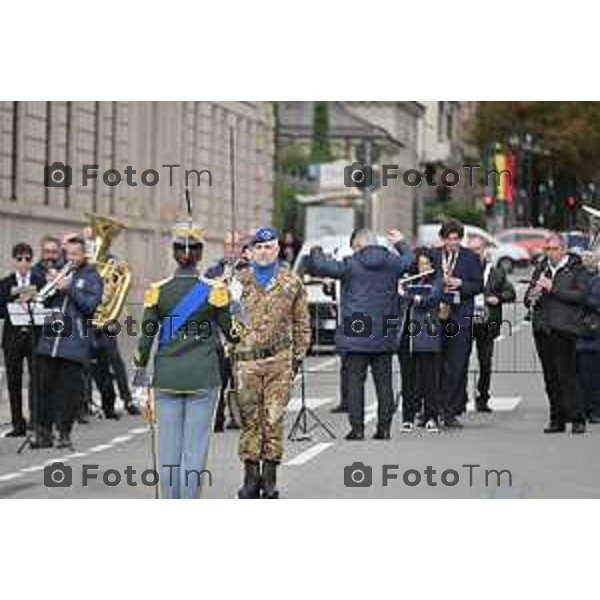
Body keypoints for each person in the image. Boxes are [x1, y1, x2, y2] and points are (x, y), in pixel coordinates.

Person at [134, 223, 240, 499]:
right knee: (195, 451)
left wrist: (139, 375)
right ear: (200, 254)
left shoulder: (157, 291)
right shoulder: (214, 290)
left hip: (166, 378)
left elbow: (145, 341)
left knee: (168, 451)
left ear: (174, 254)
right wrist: (232, 301)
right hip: (203, 377)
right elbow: (234, 334)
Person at [307, 228, 414, 440]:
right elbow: (410, 260)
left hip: (357, 331)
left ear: (357, 244)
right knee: (384, 382)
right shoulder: (392, 262)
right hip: (384, 329)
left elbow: (320, 266)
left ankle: (357, 429)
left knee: (355, 381)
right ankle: (384, 429)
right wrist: (401, 242)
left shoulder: (351, 264)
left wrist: (316, 248)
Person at [233, 227, 310, 499]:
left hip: (279, 360)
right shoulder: (237, 281)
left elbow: (302, 322)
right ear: (251, 252)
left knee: (273, 418)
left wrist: (298, 356)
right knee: (250, 420)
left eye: (269, 247)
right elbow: (221, 316)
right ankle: (250, 476)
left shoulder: (291, 283)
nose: (263, 252)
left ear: (277, 251)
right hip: (246, 363)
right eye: (259, 248)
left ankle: (270, 477)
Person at [35, 236, 104, 449]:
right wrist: (49, 285)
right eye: (68, 254)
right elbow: (43, 301)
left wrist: (70, 288)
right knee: (44, 389)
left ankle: (64, 433)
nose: (71, 258)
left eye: (75, 254)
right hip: (49, 339)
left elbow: (89, 306)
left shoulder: (92, 278)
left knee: (68, 391)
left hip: (73, 343)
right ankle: (43, 433)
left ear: (84, 255)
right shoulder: (58, 271)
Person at [524, 233, 590, 434]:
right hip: (543, 327)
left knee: (567, 375)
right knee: (550, 377)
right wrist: (532, 295)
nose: (549, 253)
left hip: (564, 328)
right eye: (547, 249)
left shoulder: (576, 269)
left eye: (553, 249)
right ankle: (557, 418)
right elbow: (528, 298)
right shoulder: (542, 269)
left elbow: (581, 295)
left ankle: (577, 418)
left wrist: (552, 288)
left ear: (563, 249)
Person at [433, 220, 483, 429]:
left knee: (456, 366)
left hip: (460, 318)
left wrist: (461, 284)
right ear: (443, 239)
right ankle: (432, 409)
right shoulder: (434, 256)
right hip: (436, 317)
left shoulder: (470, 257)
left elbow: (479, 285)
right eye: (449, 239)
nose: (452, 243)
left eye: (456, 239)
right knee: (435, 365)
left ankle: (450, 411)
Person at [0, 243, 45, 436]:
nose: (24, 263)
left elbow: (47, 305)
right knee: (13, 381)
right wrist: (13, 304)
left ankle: (35, 421)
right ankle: (18, 423)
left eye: (27, 259)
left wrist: (35, 301)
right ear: (13, 261)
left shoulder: (39, 280)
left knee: (36, 379)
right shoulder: (5, 283)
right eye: (19, 259)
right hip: (13, 338)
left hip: (34, 336)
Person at [467, 236, 516, 412]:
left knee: (485, 362)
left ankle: (482, 397)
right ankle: (458, 398)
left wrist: (499, 298)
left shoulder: (496, 272)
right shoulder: (462, 271)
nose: (474, 253)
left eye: (477, 249)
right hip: (466, 321)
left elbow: (511, 293)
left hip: (488, 322)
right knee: (459, 361)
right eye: (471, 249)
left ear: (484, 250)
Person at [399, 247, 443, 432]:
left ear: (432, 264)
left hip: (427, 332)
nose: (423, 267)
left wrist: (411, 296)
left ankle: (431, 416)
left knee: (428, 378)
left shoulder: (437, 280)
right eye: (420, 264)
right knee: (408, 378)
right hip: (408, 334)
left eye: (426, 264)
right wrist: (401, 289)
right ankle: (408, 417)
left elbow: (431, 299)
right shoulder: (414, 280)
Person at [576, 250, 600, 424]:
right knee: (584, 375)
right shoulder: (580, 278)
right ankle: (586, 409)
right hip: (582, 334)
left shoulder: (595, 281)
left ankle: (592, 410)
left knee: (590, 376)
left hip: (590, 335)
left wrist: (581, 297)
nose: (588, 260)